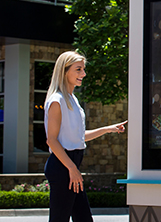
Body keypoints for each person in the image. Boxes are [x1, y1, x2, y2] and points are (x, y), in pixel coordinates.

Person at [44, 51, 127, 222]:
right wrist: (72, 169)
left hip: (70, 165)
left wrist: (108, 129)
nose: (84, 74)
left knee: (83, 218)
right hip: (63, 167)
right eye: (78, 69)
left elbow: (78, 137)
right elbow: (51, 140)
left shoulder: (72, 99)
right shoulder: (57, 101)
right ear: (64, 71)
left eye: (83, 69)